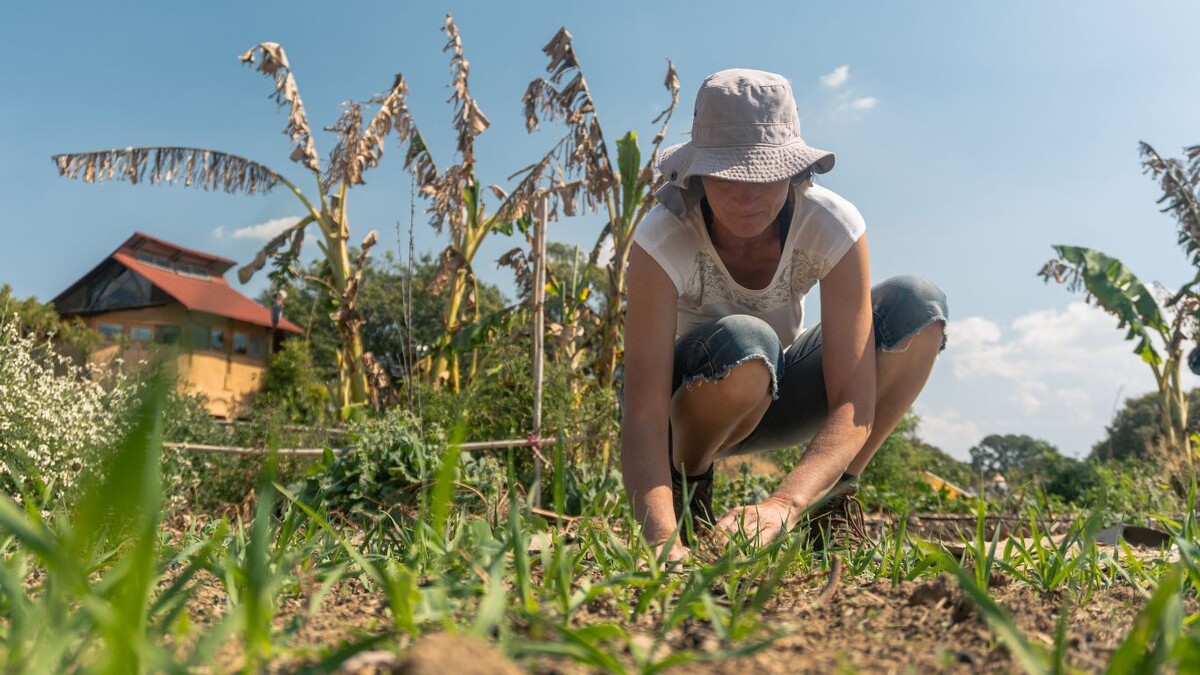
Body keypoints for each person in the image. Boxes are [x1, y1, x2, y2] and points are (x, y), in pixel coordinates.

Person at [621, 69, 948, 560]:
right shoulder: (662, 237)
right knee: (747, 341)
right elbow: (643, 413)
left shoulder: (833, 226)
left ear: (794, 170)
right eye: (728, 174)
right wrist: (661, 541)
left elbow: (853, 401)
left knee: (917, 305)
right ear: (699, 172)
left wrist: (784, 503)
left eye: (765, 174)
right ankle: (691, 488)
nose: (746, 196)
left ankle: (829, 505)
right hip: (687, 410)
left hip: (777, 389)